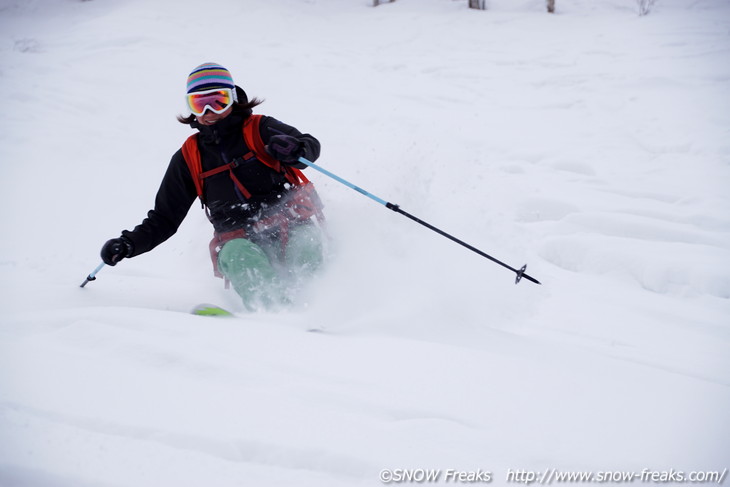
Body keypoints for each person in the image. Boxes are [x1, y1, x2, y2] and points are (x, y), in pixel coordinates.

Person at [100, 62, 325, 310]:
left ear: (233, 99)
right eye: (199, 103)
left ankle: (317, 307)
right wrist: (130, 243)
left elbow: (308, 145)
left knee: (306, 244)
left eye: (219, 100)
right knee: (239, 255)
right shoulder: (189, 156)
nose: (209, 111)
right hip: (241, 240)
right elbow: (164, 218)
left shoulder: (259, 128)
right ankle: (275, 314)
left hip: (290, 226)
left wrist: (296, 149)